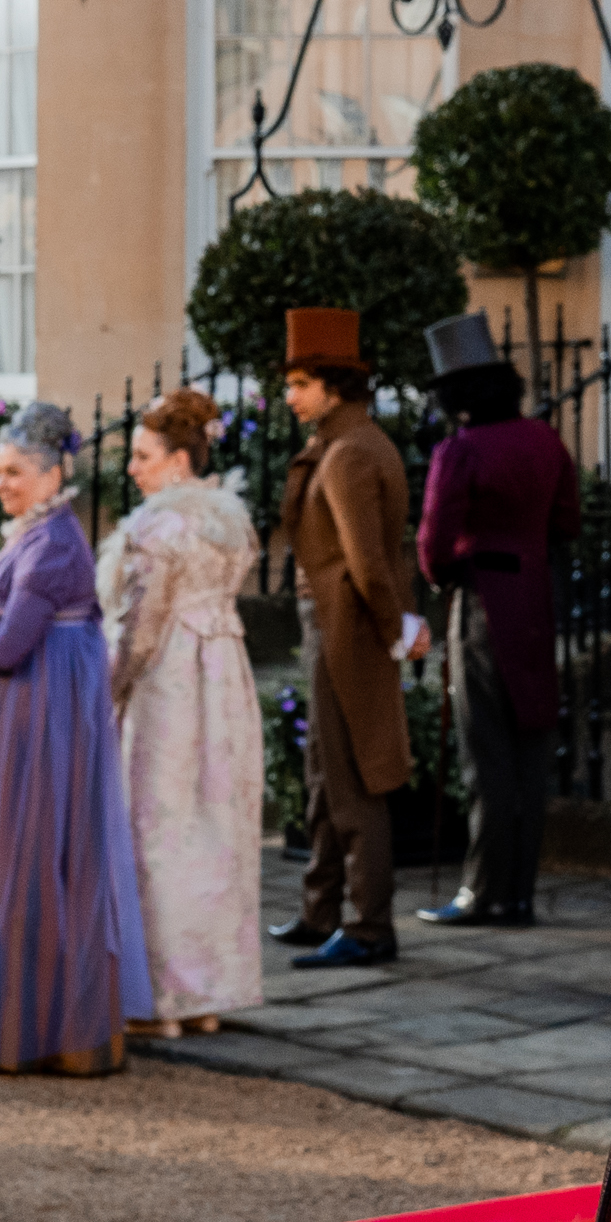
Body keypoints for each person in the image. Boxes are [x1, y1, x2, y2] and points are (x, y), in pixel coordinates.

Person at [0, 401, 151, 1075]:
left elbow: (11, 644)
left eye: (14, 471)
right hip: (30, 710)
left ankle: (27, 1029)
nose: (1, 482)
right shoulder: (38, 534)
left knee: (27, 859)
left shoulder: (49, 545)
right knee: (29, 858)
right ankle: (43, 1028)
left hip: (35, 716)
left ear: (52, 476)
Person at [266, 307, 426, 971]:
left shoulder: (351, 452)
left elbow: (367, 563)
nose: (290, 395)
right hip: (333, 624)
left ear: (333, 386)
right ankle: (321, 910)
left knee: (356, 776)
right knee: (325, 775)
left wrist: (398, 630)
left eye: (300, 383)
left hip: (346, 629)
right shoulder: (344, 444)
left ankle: (368, 925)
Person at [102, 386, 265, 1038]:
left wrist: (109, 687)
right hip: (225, 678)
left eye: (142, 456)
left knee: (159, 828)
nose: (132, 469)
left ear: (176, 460)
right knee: (215, 830)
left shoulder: (156, 525)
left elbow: (142, 626)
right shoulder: (232, 521)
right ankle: (207, 996)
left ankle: (161, 997)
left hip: (170, 682)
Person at [412, 311, 579, 931]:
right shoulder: (546, 440)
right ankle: (519, 894)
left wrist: (448, 571)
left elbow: (433, 544)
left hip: (480, 603)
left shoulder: (460, 450)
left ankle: (482, 890)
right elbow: (567, 522)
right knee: (531, 749)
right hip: (536, 600)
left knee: (484, 754)